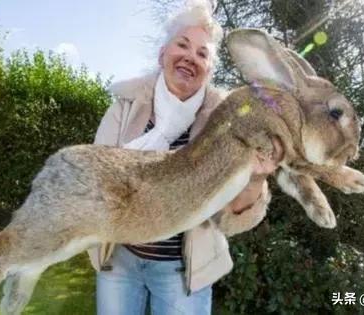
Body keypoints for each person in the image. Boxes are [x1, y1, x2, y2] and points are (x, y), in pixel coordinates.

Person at [88, 2, 283, 314]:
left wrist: (255, 178)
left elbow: (230, 215)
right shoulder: (125, 106)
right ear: (163, 53)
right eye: (183, 45)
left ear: (208, 70)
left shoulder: (226, 125)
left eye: (202, 54)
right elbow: (96, 180)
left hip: (181, 272)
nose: (191, 57)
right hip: (120, 262)